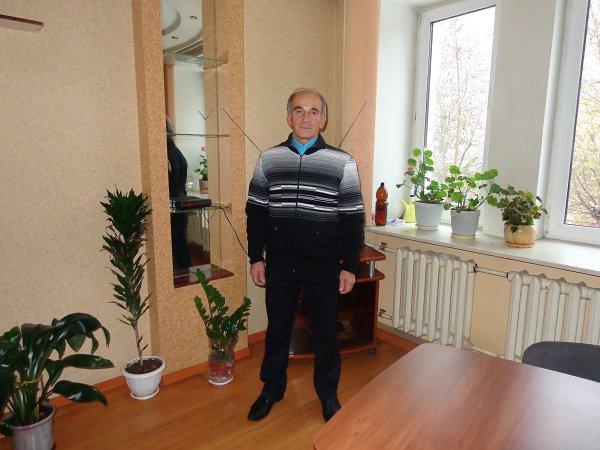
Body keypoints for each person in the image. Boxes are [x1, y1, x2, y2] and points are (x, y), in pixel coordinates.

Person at [245, 88, 365, 422]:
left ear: (323, 119)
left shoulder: (342, 162)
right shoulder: (268, 159)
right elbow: (256, 212)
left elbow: (352, 218)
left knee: (325, 333)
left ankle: (328, 394)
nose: (306, 117)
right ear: (289, 117)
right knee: (277, 330)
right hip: (280, 264)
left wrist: (350, 266)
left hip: (323, 266)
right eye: (299, 110)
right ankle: (271, 389)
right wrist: (256, 257)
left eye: (314, 111)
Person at [166, 117, 192, 269]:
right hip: (181, 201)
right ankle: (186, 271)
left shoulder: (166, 152)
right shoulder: (176, 151)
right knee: (181, 242)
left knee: (176, 244)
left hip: (172, 204)